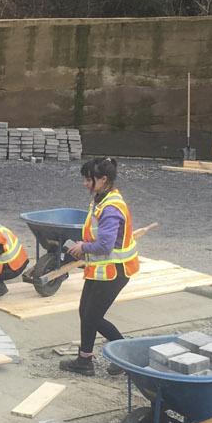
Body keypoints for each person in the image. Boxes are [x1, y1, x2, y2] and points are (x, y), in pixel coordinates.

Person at [60, 157, 139, 377]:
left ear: (103, 179)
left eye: (88, 179)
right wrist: (84, 246)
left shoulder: (111, 208)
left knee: (92, 316)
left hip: (115, 271)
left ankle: (126, 356)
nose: (85, 183)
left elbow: (105, 245)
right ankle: (85, 360)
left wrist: (82, 247)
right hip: (103, 269)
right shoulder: (101, 199)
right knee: (85, 313)